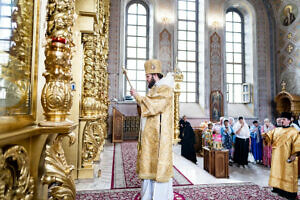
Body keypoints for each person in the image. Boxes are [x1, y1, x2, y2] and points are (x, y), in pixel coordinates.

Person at [130, 59, 174, 200]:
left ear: (155, 75)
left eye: (148, 77)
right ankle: (148, 196)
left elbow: (154, 106)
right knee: (148, 167)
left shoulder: (165, 88)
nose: (146, 80)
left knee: (157, 169)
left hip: (159, 138)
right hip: (151, 137)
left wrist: (138, 97)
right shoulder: (155, 89)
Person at [262, 112, 300, 200]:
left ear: (289, 121)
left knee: (288, 174)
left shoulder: (294, 132)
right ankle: (277, 188)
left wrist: (294, 155)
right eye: (281, 119)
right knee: (277, 171)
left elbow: (298, 144)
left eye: (284, 120)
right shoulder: (277, 130)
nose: (282, 121)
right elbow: (269, 138)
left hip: (288, 157)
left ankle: (289, 193)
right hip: (277, 157)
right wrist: (265, 137)